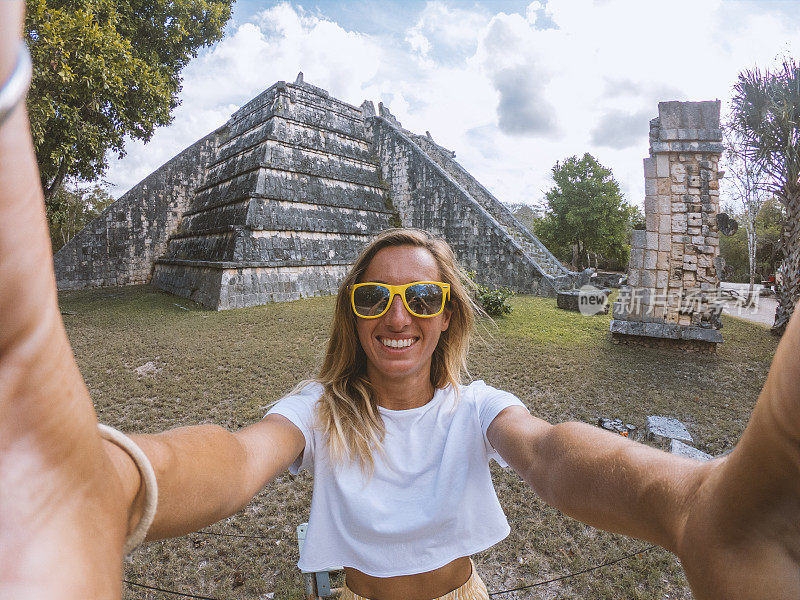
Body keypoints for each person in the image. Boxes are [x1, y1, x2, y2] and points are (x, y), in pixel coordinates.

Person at [2, 3, 800, 598]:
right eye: (374, 295)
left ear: (448, 311)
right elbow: (241, 456)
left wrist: (689, 501)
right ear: (350, 309)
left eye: (423, 294)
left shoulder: (475, 408)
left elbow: (554, 454)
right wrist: (119, 480)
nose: (399, 314)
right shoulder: (321, 410)